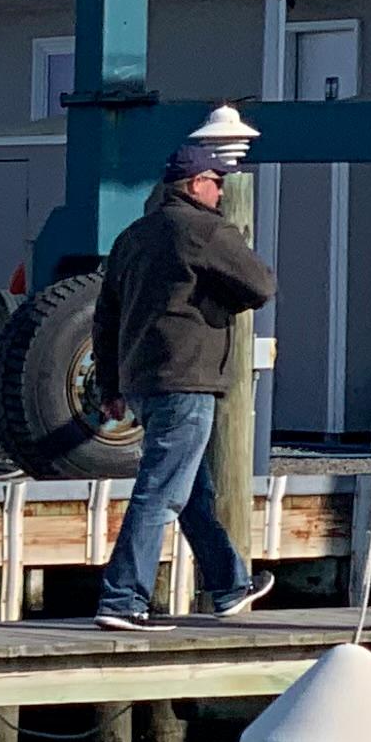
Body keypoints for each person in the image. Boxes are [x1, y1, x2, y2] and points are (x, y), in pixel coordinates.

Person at [89, 142, 277, 630]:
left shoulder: (132, 237)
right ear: (196, 185)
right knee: (162, 491)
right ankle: (123, 598)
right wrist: (221, 301)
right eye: (217, 182)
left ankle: (228, 584)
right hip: (187, 377)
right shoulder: (205, 229)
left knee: (191, 490)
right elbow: (261, 284)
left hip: (141, 380)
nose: (220, 191)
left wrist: (108, 385)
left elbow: (105, 318)